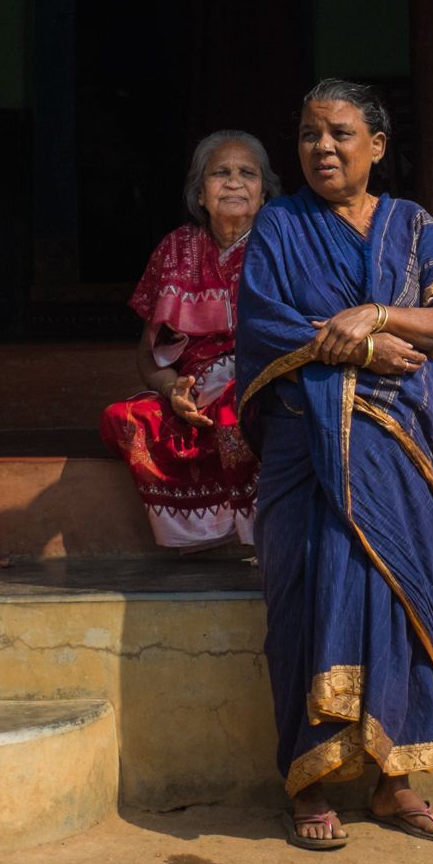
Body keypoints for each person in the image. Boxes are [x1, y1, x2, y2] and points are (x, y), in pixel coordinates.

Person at [234, 79, 433, 851]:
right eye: (309, 134)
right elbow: (268, 325)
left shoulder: (417, 230)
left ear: (377, 144)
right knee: (308, 598)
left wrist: (373, 313)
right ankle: (309, 780)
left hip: (399, 454)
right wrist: (366, 350)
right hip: (306, 457)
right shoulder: (278, 225)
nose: (323, 148)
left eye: (340, 133)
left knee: (398, 598)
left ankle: (394, 778)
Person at [100, 131, 280, 550]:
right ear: (200, 194)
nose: (233, 182)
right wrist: (171, 389)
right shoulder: (174, 248)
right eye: (220, 173)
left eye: (246, 173)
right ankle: (195, 532)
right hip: (190, 396)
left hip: (256, 383)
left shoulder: (281, 245)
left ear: (264, 193)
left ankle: (259, 531)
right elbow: (149, 355)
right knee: (121, 418)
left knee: (239, 414)